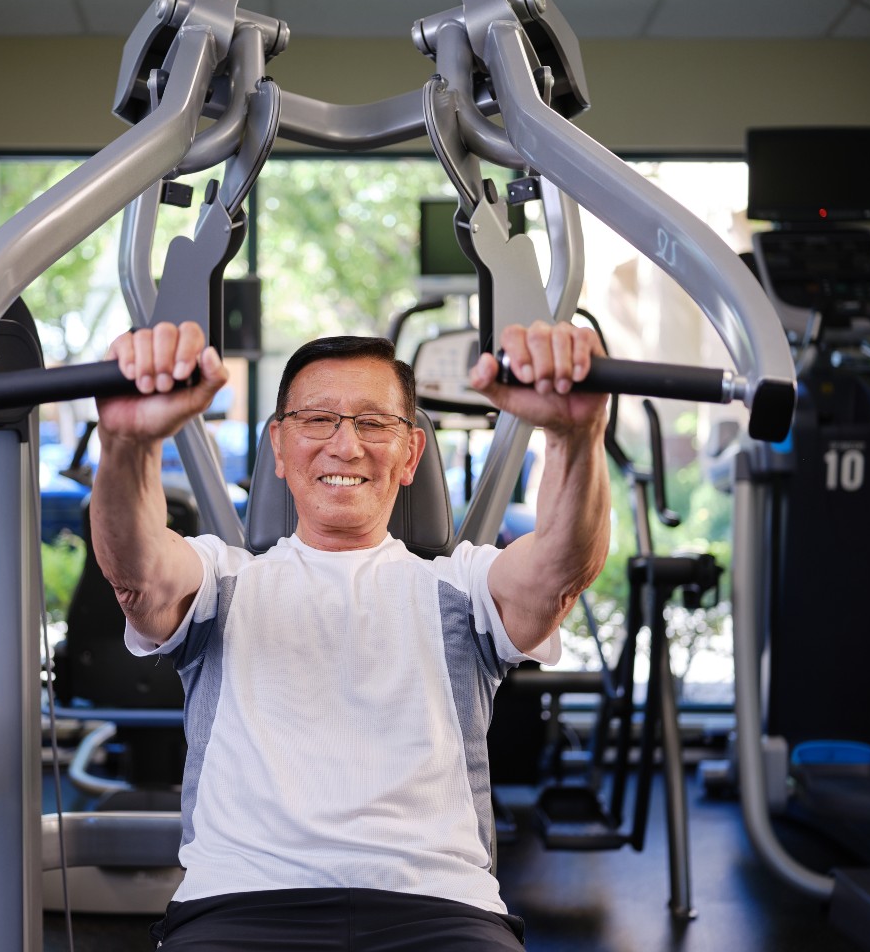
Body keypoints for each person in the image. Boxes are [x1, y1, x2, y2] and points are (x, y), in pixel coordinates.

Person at [90, 318, 610, 951]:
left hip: (439, 908)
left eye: (373, 424)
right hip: (240, 906)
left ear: (411, 453)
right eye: (317, 420)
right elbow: (137, 573)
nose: (345, 446)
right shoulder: (221, 579)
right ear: (277, 447)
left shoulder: (463, 585)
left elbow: (559, 570)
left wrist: (577, 436)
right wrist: (124, 442)